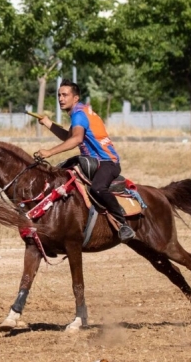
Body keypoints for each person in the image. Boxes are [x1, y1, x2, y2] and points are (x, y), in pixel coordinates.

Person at [34, 79, 135, 242]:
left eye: (65, 95)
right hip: (91, 161)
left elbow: (76, 140)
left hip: (107, 162)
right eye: (59, 95)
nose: (60, 98)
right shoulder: (79, 112)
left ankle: (123, 224)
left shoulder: (79, 115)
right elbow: (69, 137)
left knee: (98, 188)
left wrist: (50, 152)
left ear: (75, 98)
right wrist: (48, 123)